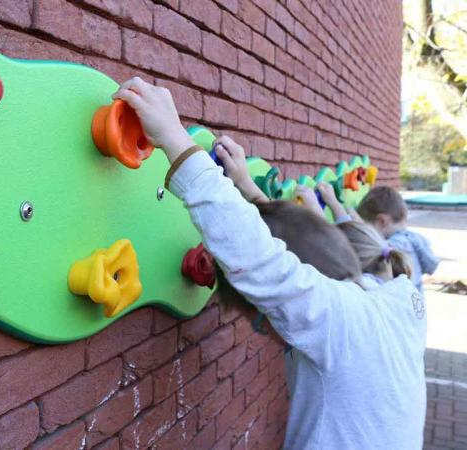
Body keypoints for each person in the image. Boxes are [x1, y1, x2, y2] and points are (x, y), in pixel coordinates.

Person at [112, 77, 426, 449]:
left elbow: (264, 261)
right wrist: (247, 188)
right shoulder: (395, 299)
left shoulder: (340, 320)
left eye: (266, 319)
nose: (272, 330)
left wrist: (175, 140)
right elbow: (281, 255)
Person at [357, 186, 440, 293]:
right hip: (416, 306)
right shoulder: (415, 239)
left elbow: (372, 249)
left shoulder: (395, 246)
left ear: (381, 221)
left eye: (367, 227)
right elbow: (431, 266)